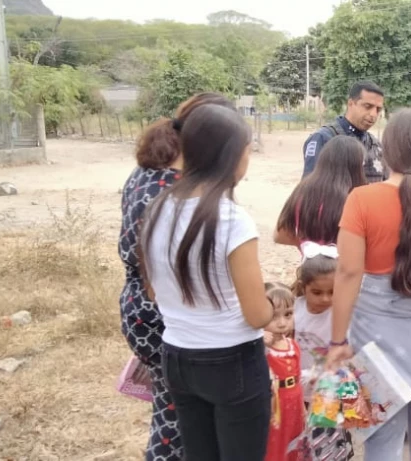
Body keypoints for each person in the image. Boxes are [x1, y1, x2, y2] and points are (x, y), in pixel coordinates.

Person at [325, 108, 411, 461]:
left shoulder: (361, 200)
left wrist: (338, 339)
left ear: (386, 151)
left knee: (382, 430)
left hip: (376, 335)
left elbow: (348, 273)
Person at [141, 104, 273, 461]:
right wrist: (278, 300)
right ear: (233, 156)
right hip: (232, 362)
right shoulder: (232, 220)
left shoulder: (156, 209)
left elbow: (153, 292)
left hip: (178, 358)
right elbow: (257, 315)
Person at [119, 92, 235, 461]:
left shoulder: (150, 173)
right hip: (162, 314)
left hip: (144, 307)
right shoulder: (174, 191)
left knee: (174, 417)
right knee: (178, 427)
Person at [292, 249, 355, 460]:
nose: (325, 298)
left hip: (330, 392)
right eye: (317, 292)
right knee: (301, 441)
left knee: (329, 443)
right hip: (299, 393)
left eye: (332, 291)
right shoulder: (293, 311)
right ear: (304, 287)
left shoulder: (342, 313)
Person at [276, 136, 367, 248]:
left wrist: (307, 245)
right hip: (344, 263)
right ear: (356, 166)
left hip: (311, 263)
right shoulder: (357, 198)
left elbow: (280, 235)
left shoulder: (303, 189)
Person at [302, 81, 386, 183]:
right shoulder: (324, 139)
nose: (373, 114)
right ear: (351, 103)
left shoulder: (376, 145)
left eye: (378, 109)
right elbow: (311, 190)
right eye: (367, 106)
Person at [263, 284, 305, 461]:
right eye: (273, 316)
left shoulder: (292, 344)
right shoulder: (262, 349)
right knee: (274, 445)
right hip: (274, 408)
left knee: (294, 442)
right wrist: (257, 337)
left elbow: (297, 379)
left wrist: (303, 408)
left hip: (294, 405)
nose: (282, 322)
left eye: (288, 314)